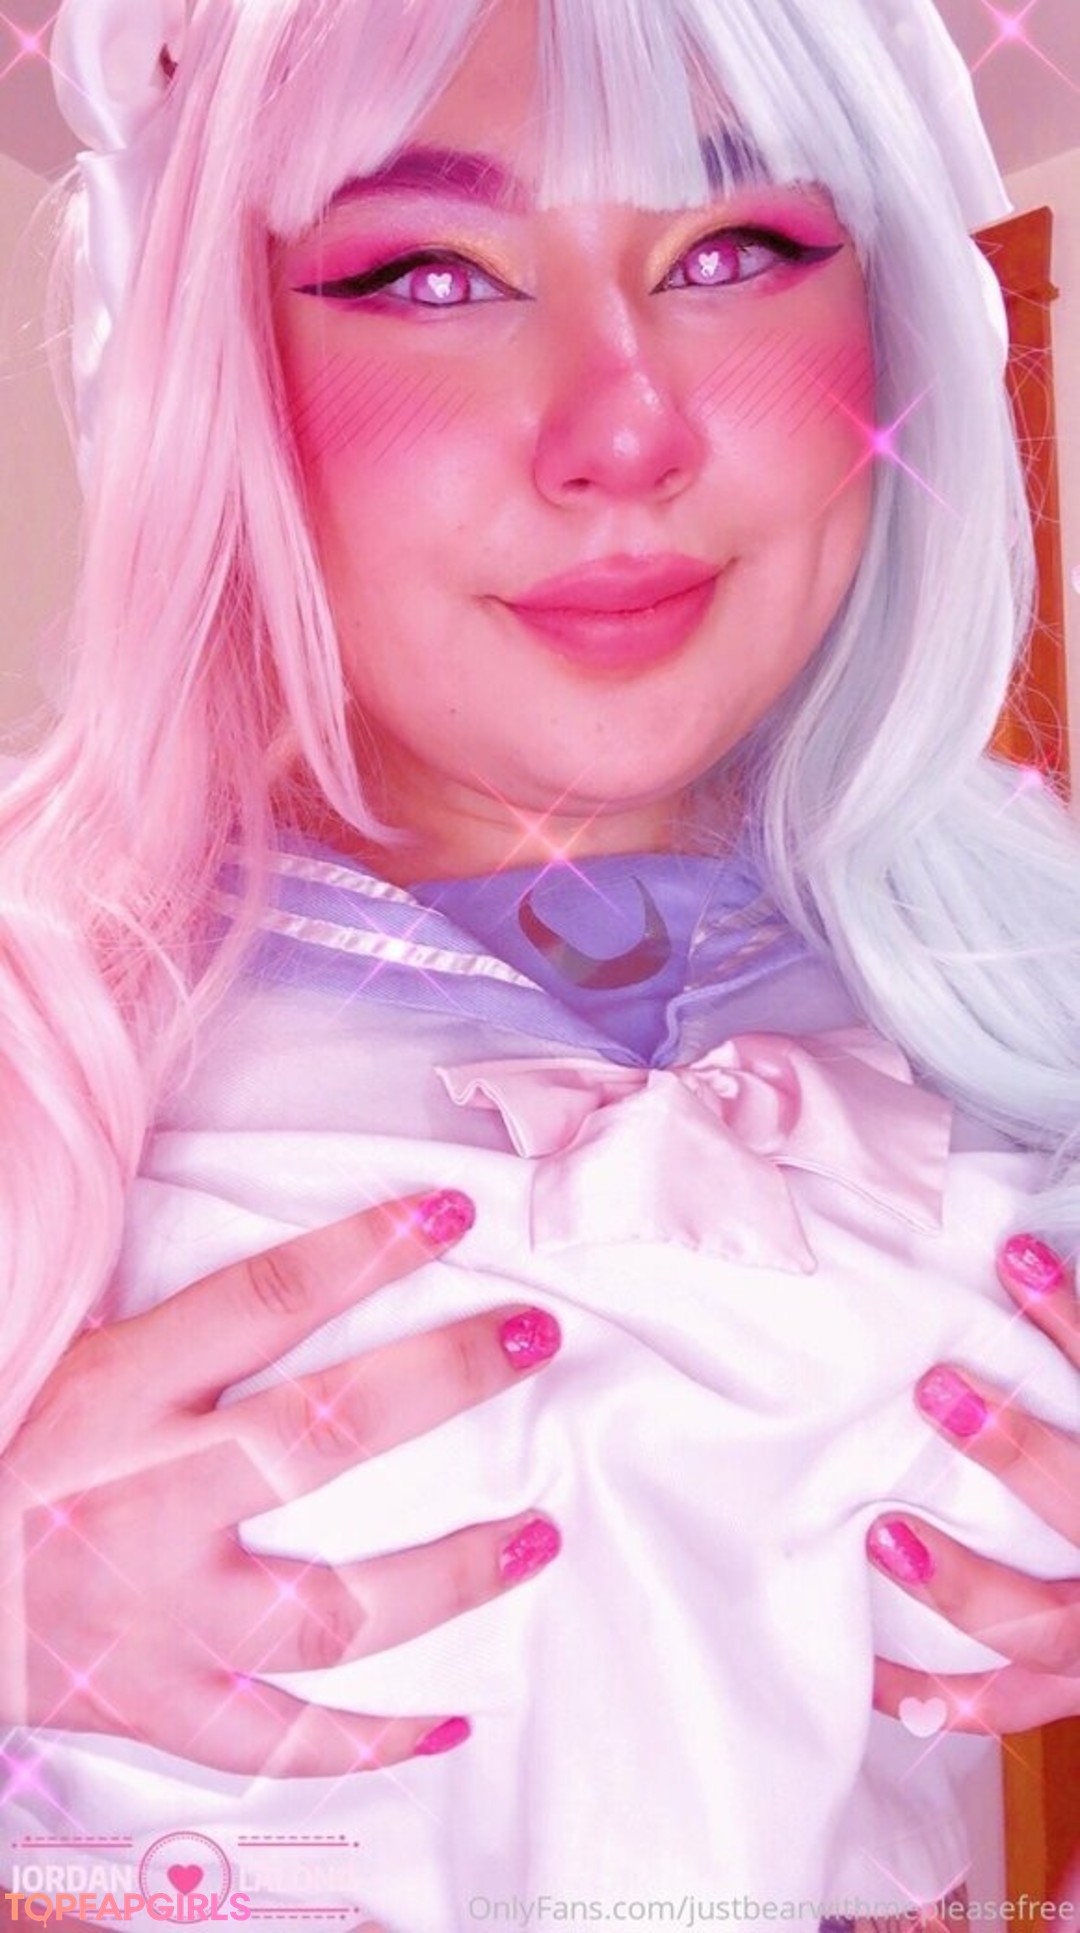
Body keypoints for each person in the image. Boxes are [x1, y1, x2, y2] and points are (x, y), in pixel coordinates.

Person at [0, 0, 1078, 1927]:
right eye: (430, 274)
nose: (625, 433)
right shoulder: (44, 1023)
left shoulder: (1024, 984)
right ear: (219, 364)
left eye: (735, 252)